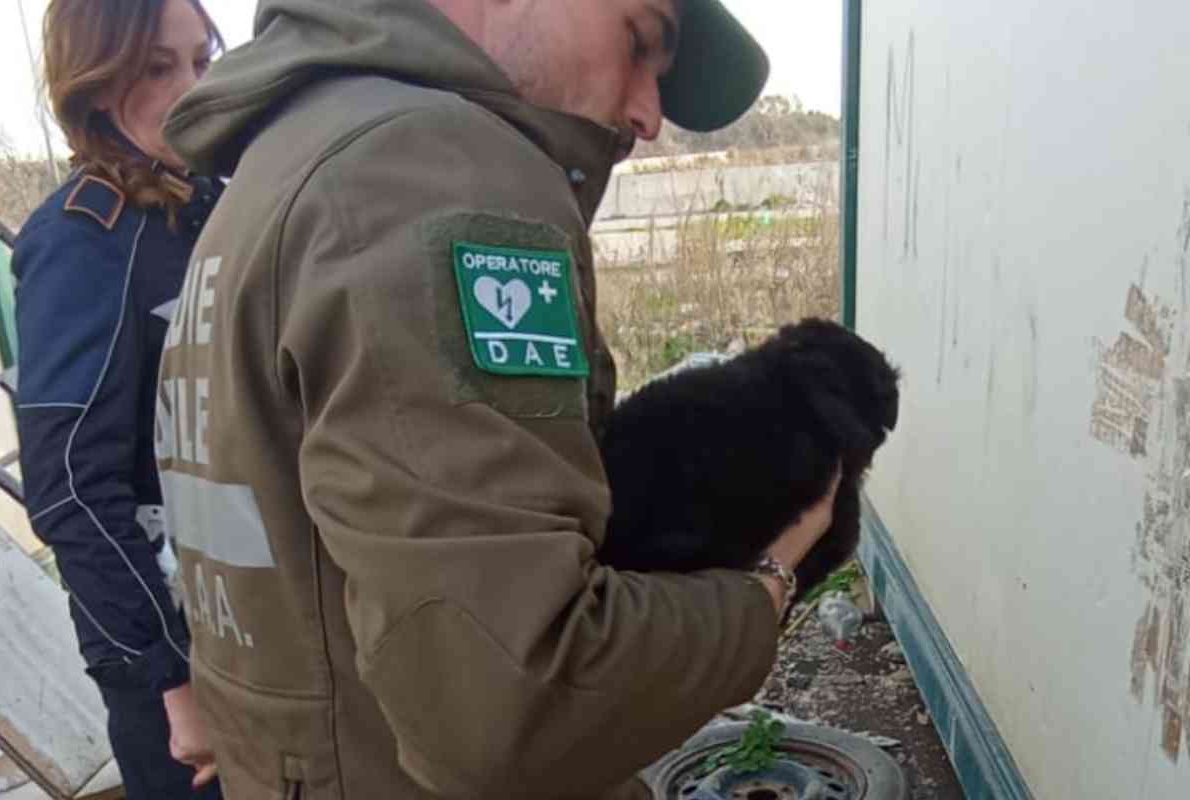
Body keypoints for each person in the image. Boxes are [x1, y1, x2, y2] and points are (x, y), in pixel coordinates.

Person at [156, 0, 840, 797]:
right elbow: (518, 703)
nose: (649, 114)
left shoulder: (284, 164)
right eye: (641, 41)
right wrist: (764, 589)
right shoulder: (427, 170)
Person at [11, 0, 226, 796]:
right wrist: (173, 683)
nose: (193, 88)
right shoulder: (83, 245)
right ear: (99, 87)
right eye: (158, 69)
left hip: (265, 633)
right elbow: (71, 487)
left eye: (201, 62)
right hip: (175, 665)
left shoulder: (219, 209)